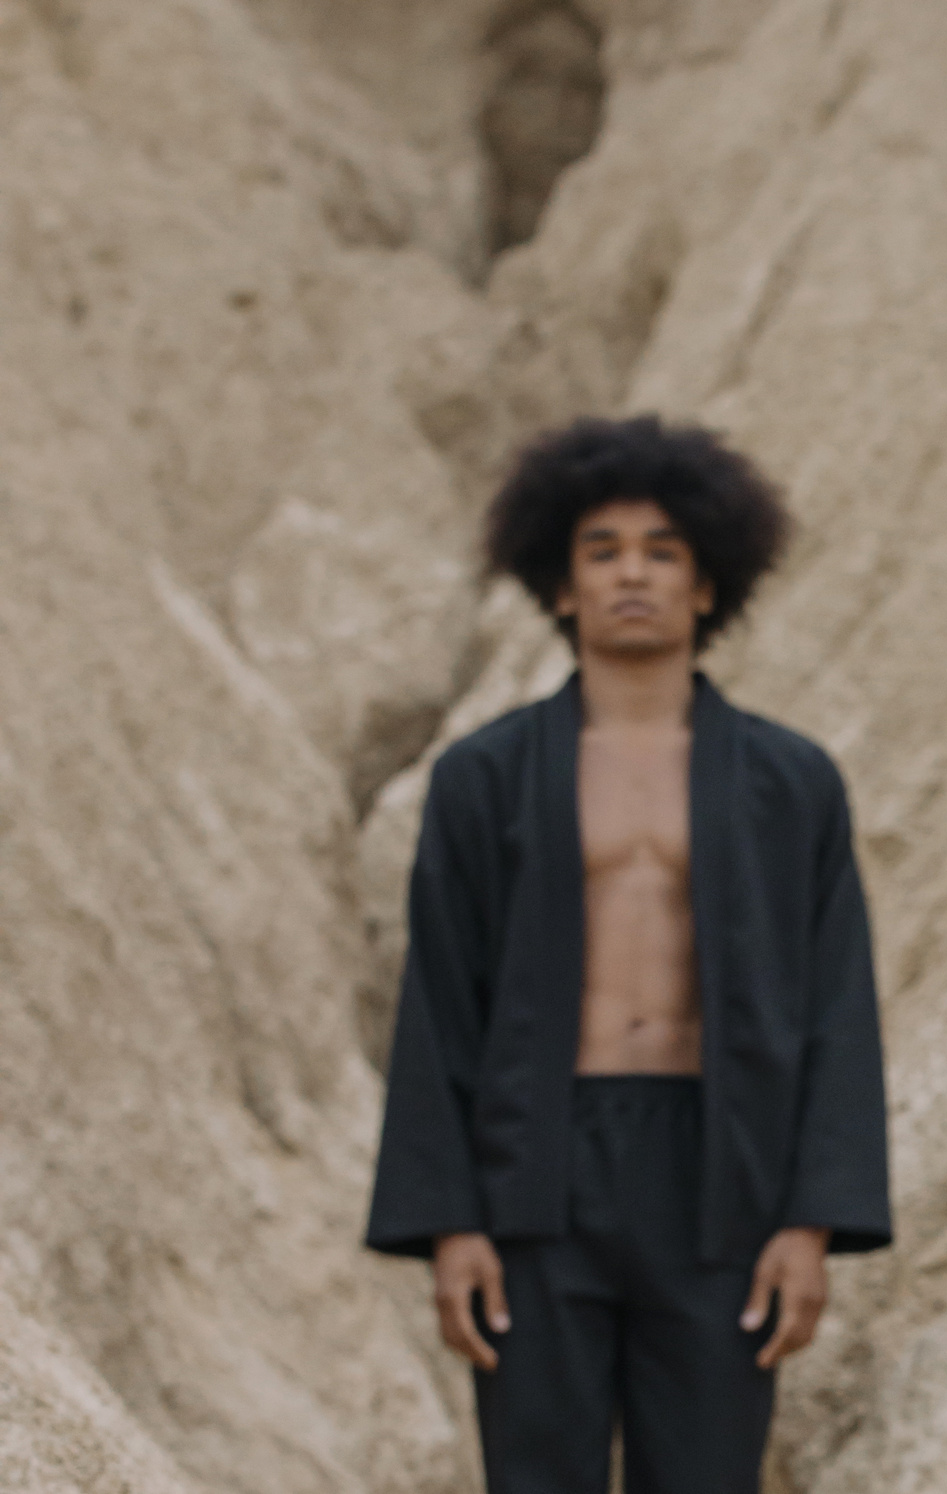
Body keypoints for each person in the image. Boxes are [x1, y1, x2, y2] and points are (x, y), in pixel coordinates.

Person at [366, 415, 891, 1494]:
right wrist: (452, 1221)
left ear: (707, 585)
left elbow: (838, 1006)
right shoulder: (484, 778)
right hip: (536, 1171)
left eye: (661, 552)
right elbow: (438, 1002)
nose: (632, 575)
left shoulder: (790, 783)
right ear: (559, 589)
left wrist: (807, 1220)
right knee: (536, 1476)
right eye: (601, 553)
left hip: (721, 1178)